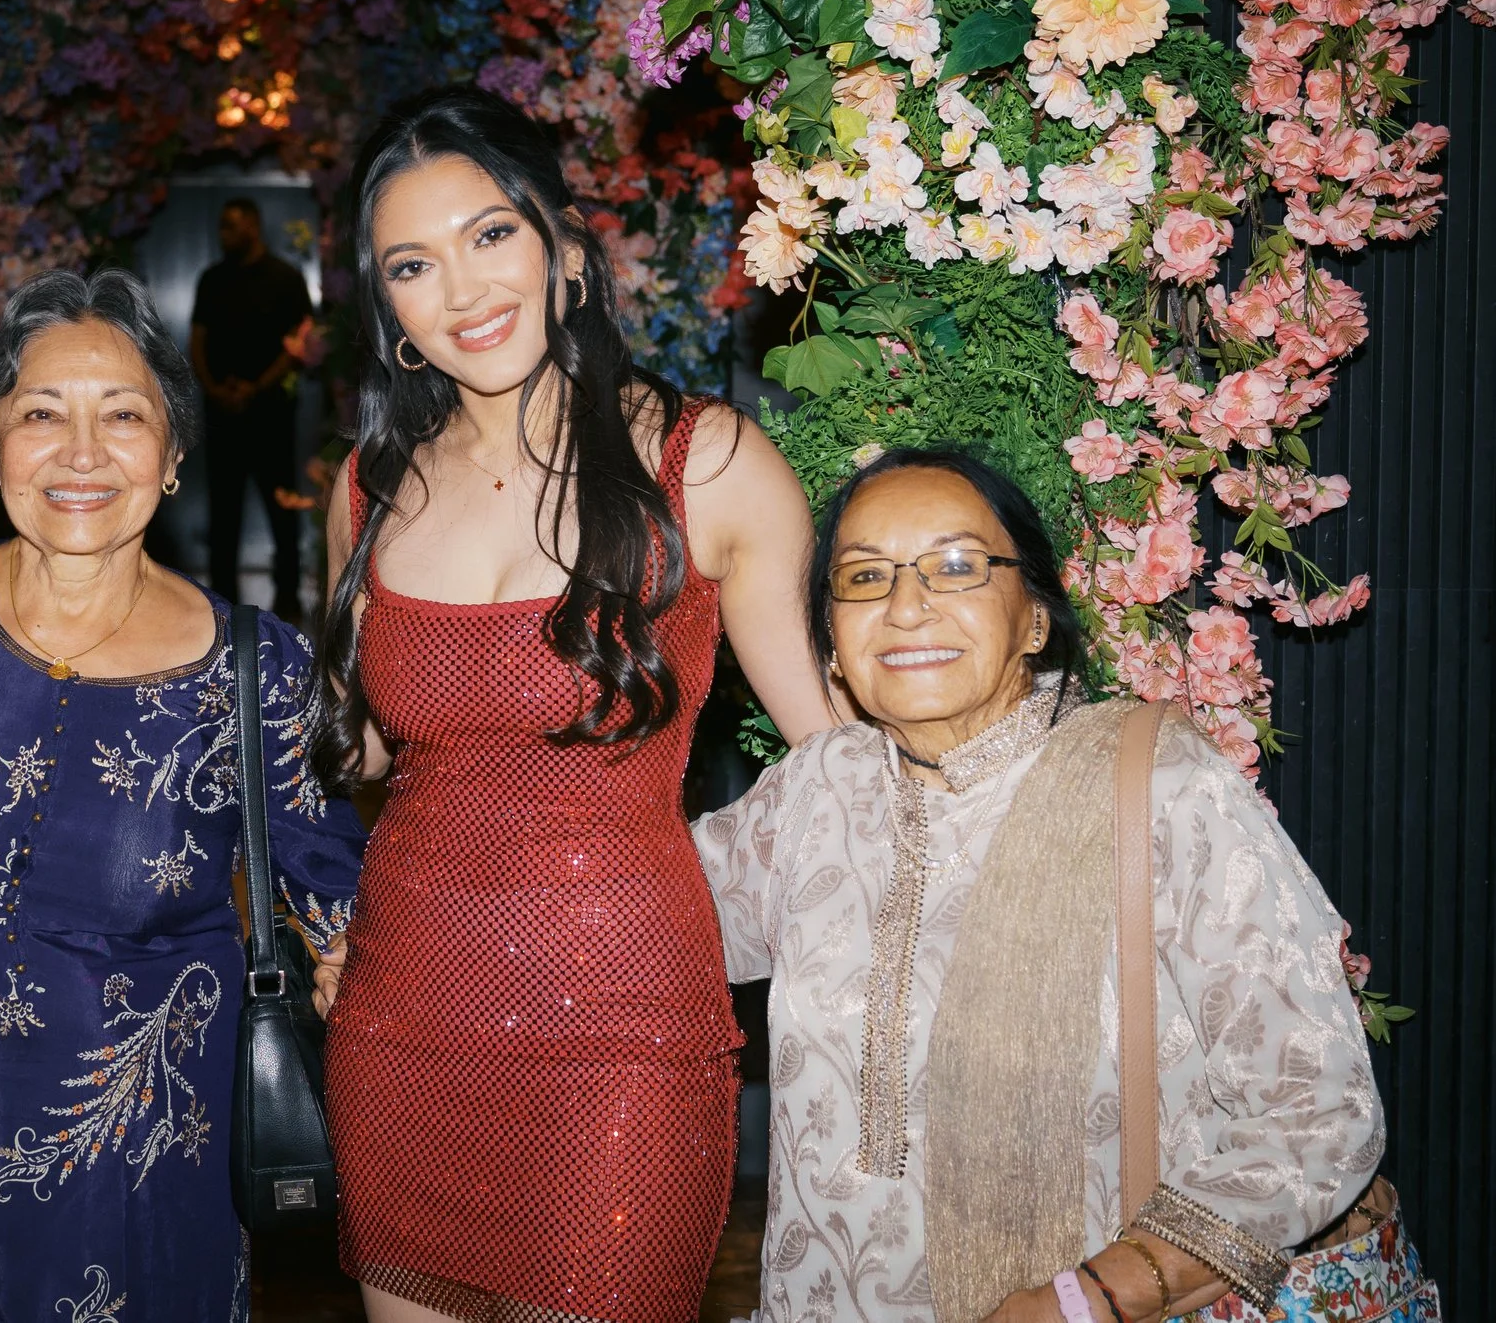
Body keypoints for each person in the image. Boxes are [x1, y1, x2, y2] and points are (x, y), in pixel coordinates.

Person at [313, 85, 839, 1323]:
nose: (464, 287)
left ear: (559, 245)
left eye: (490, 234)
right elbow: (365, 765)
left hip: (622, 1035)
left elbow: (831, 755)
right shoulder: (368, 491)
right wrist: (312, 920)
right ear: (386, 309)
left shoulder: (702, 462)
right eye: (412, 263)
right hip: (400, 1028)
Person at [694, 448, 1383, 1323]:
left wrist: (1084, 1299)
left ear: (1033, 619)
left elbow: (1319, 1115)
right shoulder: (812, 793)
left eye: (956, 566)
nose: (906, 607)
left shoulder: (1159, 787)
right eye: (864, 576)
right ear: (831, 641)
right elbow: (627, 931)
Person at [0, 268, 367, 1323]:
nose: (80, 451)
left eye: (122, 415)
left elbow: (352, 916)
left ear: (172, 458)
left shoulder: (254, 673)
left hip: (146, 1190)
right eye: (40, 414)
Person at [190, 194, 315, 616]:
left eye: (231, 225)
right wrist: (214, 389)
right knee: (223, 512)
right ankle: (221, 606)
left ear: (253, 227)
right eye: (221, 225)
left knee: (282, 509)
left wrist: (256, 388)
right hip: (222, 414)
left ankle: (289, 600)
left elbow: (296, 345)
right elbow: (198, 340)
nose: (223, 234)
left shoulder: (285, 277)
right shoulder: (211, 279)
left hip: (270, 415)